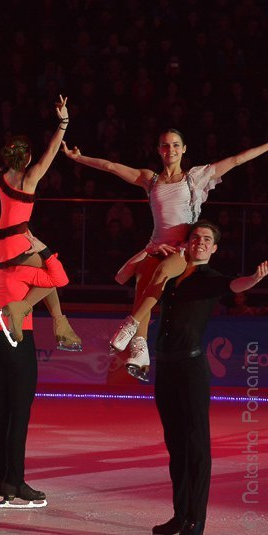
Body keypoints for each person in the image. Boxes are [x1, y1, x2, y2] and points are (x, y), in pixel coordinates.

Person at [62, 130, 268, 380]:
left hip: (183, 249)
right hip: (155, 246)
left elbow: (236, 160)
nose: (170, 150)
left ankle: (130, 324)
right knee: (142, 286)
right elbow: (111, 166)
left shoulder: (195, 178)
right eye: (165, 146)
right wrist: (79, 158)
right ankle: (140, 352)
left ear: (184, 149)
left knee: (162, 272)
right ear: (159, 150)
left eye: (175, 145)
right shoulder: (151, 179)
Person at [149, 221, 266, 535]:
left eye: (207, 239)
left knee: (196, 445)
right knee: (175, 445)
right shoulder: (172, 276)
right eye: (196, 237)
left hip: (190, 370)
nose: (200, 242)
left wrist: (254, 278)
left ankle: (195, 521)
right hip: (166, 368)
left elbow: (235, 284)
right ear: (187, 244)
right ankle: (180, 515)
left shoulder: (210, 279)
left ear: (213, 248)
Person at [0, 99, 82, 350]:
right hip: (18, 244)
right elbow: (52, 150)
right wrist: (64, 122)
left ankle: (60, 324)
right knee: (53, 274)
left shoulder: (0, 177)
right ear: (27, 158)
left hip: (0, 244)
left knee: (42, 276)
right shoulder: (31, 178)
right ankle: (37, 313)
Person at [0, 224, 68, 506]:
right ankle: (15, 483)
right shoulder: (21, 271)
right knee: (18, 415)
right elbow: (59, 278)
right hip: (19, 341)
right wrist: (42, 249)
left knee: (1, 413)